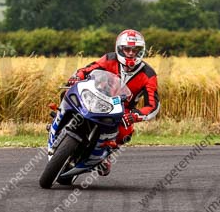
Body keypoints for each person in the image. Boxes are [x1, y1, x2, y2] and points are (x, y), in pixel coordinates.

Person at [65, 29, 160, 176]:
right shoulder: (109, 58)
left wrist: (135, 115)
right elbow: (88, 69)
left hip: (122, 109)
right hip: (97, 97)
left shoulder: (149, 74)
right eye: (127, 49)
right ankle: (60, 118)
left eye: (135, 50)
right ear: (119, 48)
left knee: (124, 132)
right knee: (69, 92)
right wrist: (77, 76)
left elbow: (152, 105)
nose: (130, 53)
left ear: (141, 51)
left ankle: (105, 155)